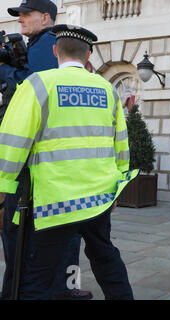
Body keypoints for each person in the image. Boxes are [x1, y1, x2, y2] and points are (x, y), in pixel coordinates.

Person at [0, 24, 137, 300]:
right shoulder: (107, 89)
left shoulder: (38, 84)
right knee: (106, 260)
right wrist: (118, 186)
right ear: (88, 56)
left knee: (37, 277)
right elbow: (121, 143)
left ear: (54, 51)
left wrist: (2, 191)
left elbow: (13, 142)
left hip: (54, 201)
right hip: (98, 197)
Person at [0, 0, 92, 300]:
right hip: (66, 171)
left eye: (26, 15)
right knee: (67, 234)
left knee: (22, 235)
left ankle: (20, 291)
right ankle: (66, 288)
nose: (21, 20)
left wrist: (4, 71)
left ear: (46, 18)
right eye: (19, 16)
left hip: (37, 166)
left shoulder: (44, 45)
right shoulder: (47, 46)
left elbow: (31, 87)